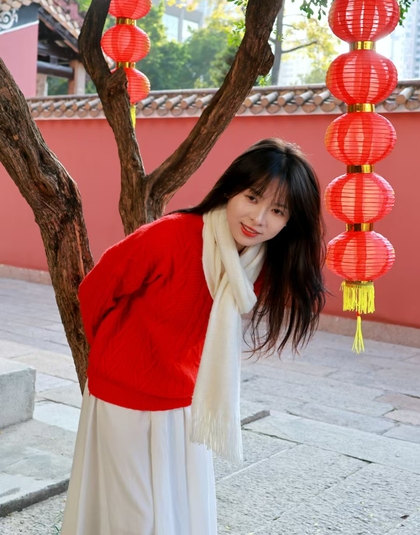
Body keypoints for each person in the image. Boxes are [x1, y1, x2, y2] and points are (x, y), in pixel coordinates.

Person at [61, 137, 326, 535]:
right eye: (252, 197)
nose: (258, 218)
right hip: (123, 396)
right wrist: (114, 354)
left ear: (290, 222)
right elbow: (95, 290)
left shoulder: (257, 263)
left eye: (277, 211)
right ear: (230, 189)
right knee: (136, 517)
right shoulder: (168, 236)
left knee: (176, 510)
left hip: (185, 399)